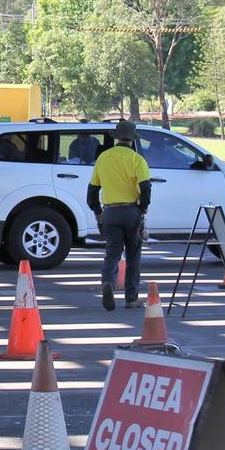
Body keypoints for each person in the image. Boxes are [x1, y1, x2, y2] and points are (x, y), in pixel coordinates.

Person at [87, 120, 151, 311]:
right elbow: (146, 188)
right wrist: (143, 208)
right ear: (132, 139)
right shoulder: (137, 160)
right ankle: (131, 299)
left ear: (117, 138)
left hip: (110, 212)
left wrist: (98, 212)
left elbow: (92, 191)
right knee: (133, 256)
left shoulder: (103, 158)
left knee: (112, 253)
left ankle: (108, 282)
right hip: (131, 211)